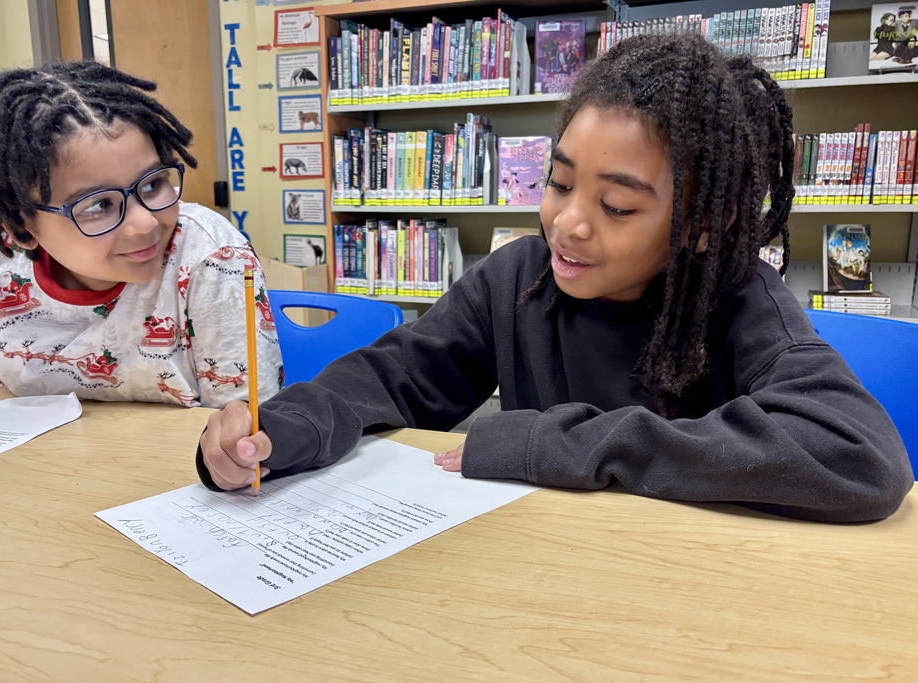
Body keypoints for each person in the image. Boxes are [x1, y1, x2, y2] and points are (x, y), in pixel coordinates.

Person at [197, 33, 913, 522]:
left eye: (617, 205)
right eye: (559, 182)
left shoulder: (737, 299)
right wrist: (279, 430)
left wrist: (551, 444)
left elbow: (860, 456)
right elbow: (397, 375)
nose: (568, 222)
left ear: (698, 223)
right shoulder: (519, 278)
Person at [0, 61, 283, 409]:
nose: (145, 224)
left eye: (153, 184)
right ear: (20, 229)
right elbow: (14, 406)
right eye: (96, 206)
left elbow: (243, 429)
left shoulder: (212, 258)